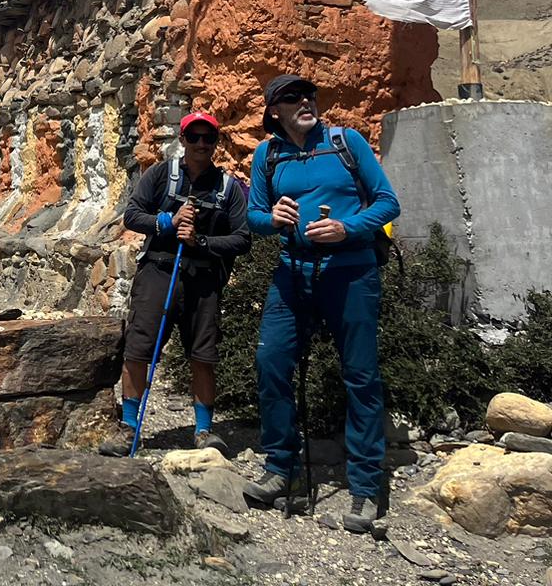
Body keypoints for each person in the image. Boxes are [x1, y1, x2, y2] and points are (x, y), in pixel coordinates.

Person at [241, 73, 398, 535]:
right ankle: (280, 466)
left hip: (350, 271)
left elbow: (388, 203)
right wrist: (271, 219)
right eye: (292, 98)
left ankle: (366, 487)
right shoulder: (268, 155)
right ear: (275, 111)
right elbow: (252, 216)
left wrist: (346, 228)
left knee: (360, 374)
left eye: (309, 95)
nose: (305, 102)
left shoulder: (346, 142)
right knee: (270, 361)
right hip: (293, 271)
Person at [101, 111, 250, 457]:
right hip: (159, 272)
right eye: (194, 137)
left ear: (215, 142)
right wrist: (169, 221)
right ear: (182, 140)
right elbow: (133, 215)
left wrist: (203, 243)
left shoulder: (228, 188)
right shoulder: (159, 175)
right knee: (139, 349)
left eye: (208, 138)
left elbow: (242, 239)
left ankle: (203, 432)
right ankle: (128, 427)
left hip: (204, 279)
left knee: (203, 355)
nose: (201, 143)